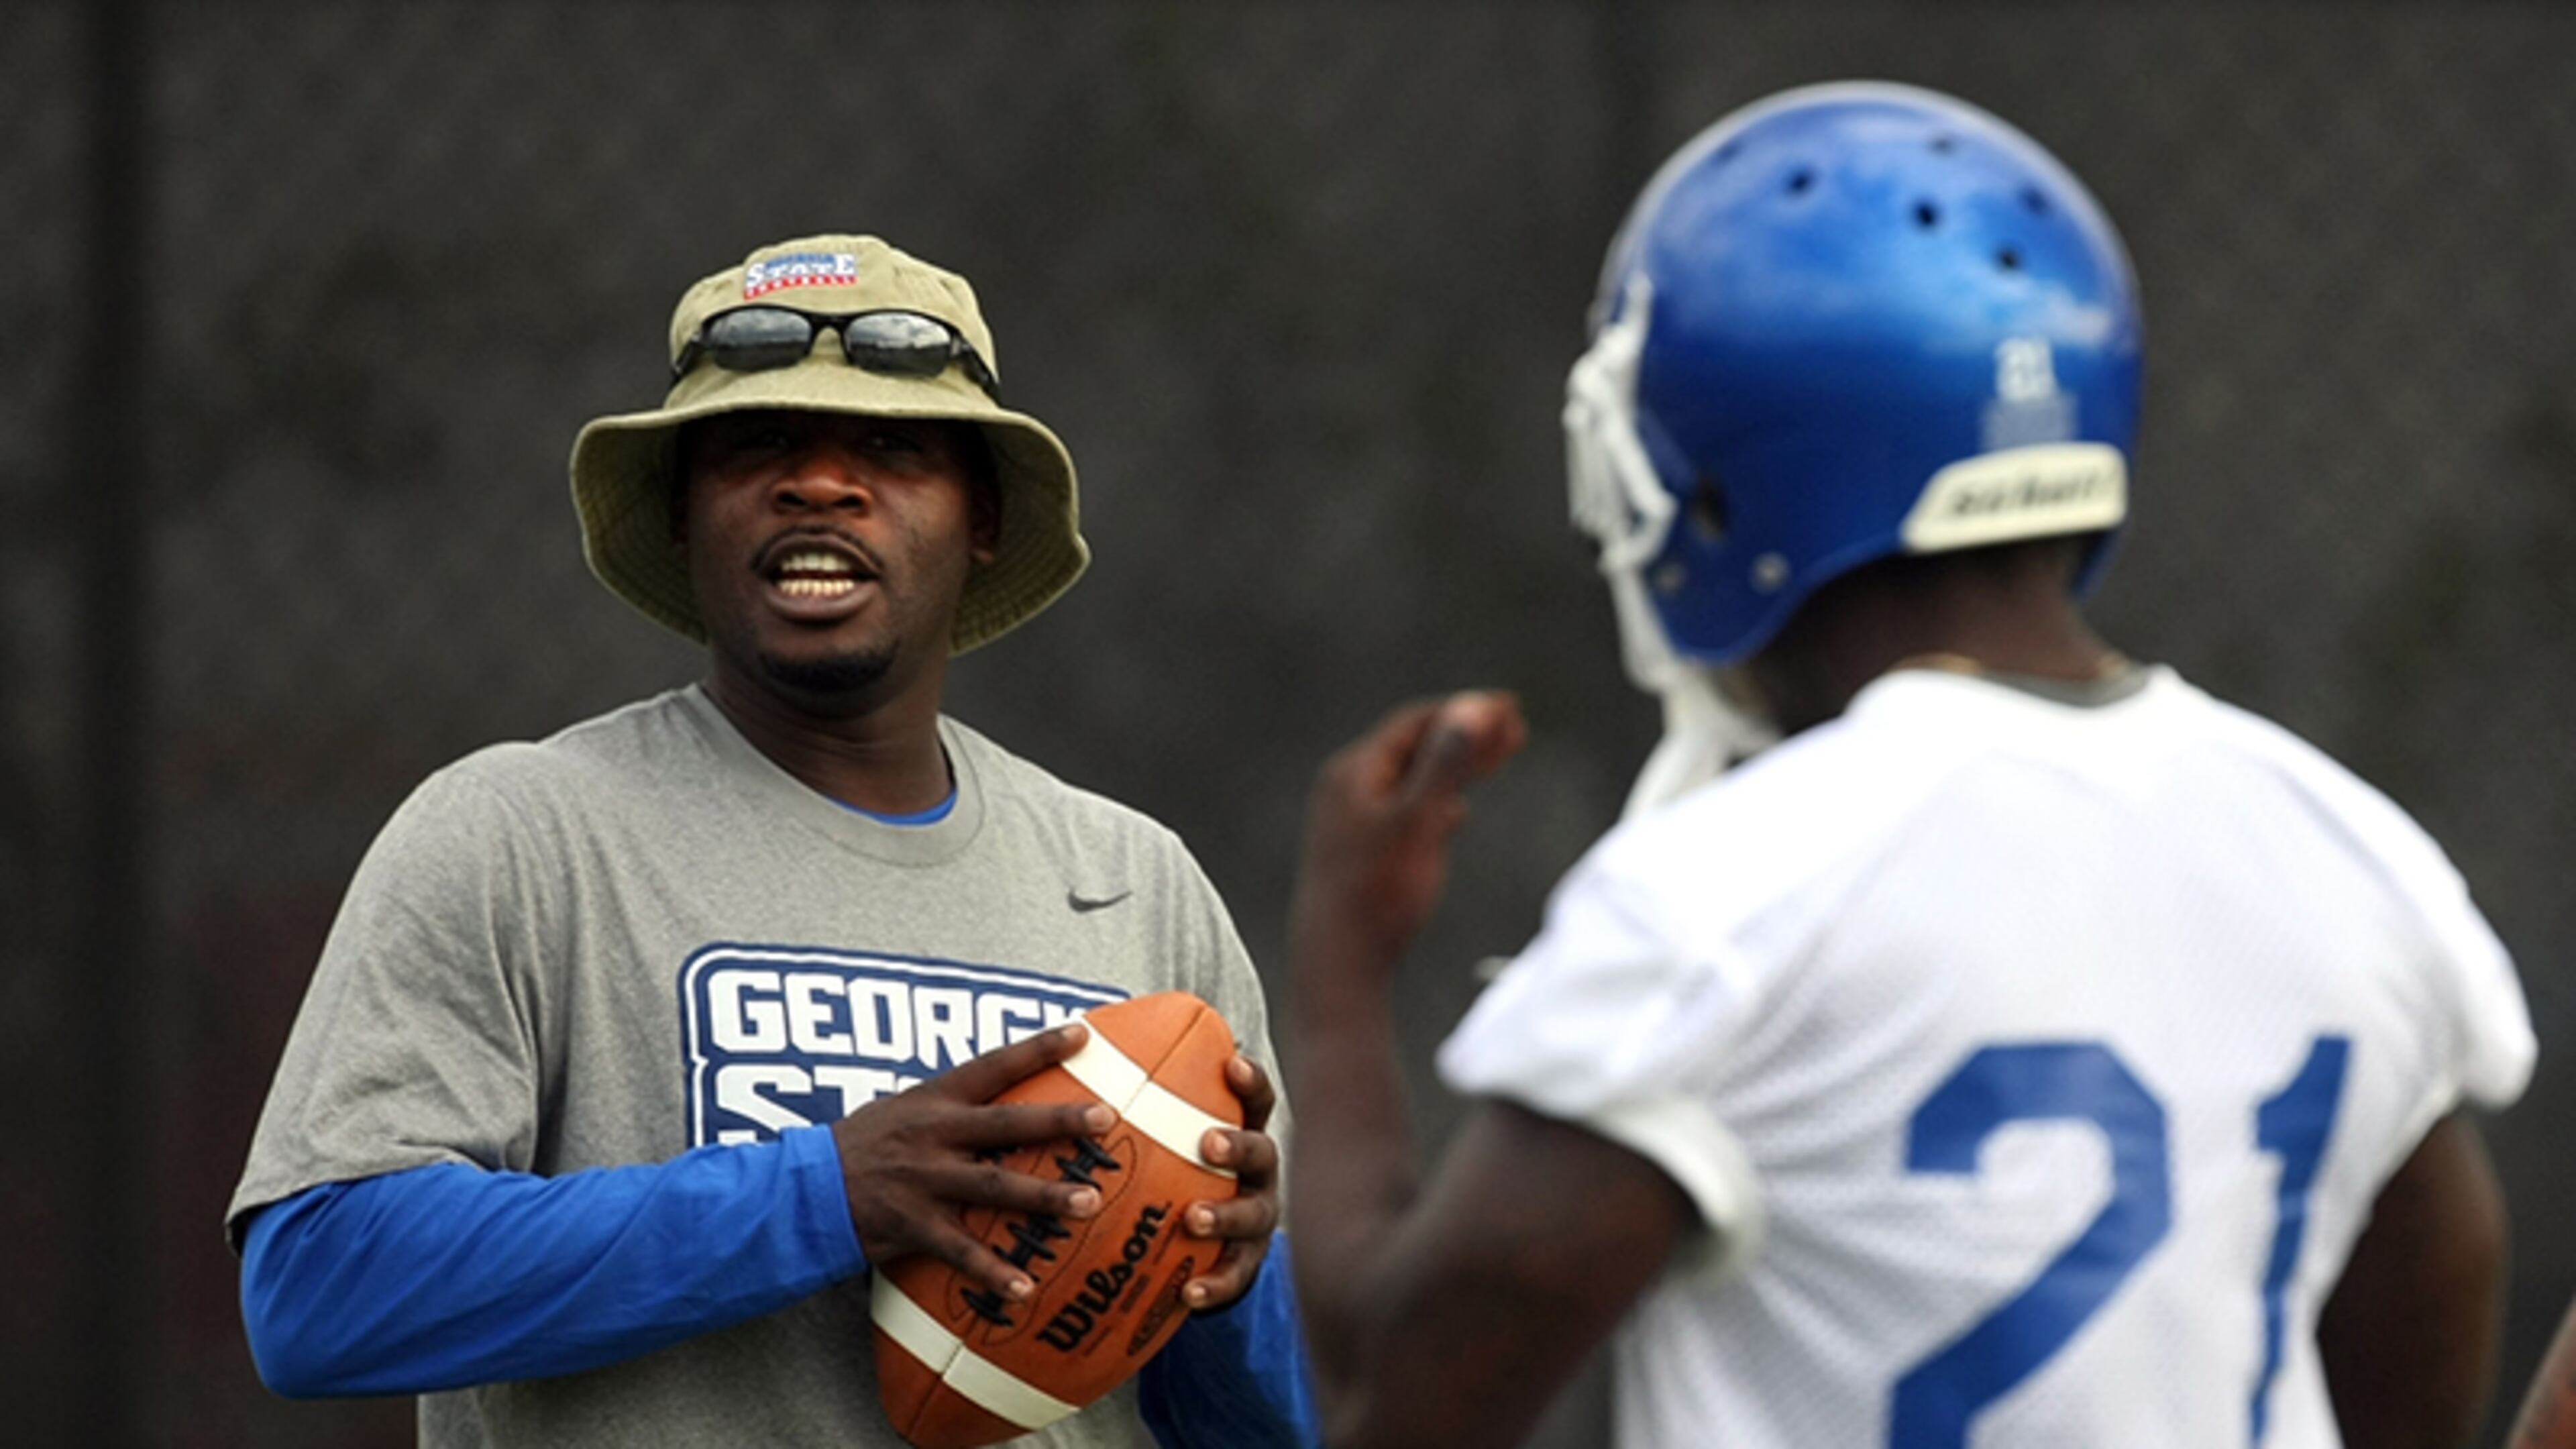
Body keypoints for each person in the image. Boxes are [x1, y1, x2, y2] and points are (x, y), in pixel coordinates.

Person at [1284, 83, 2534, 1448]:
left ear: (1712, 487)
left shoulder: (1733, 900)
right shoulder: (2353, 857)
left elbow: (1393, 1394)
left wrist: (1342, 965)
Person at [229, 233, 1312, 1448]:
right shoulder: (522, 834)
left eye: (894, 450)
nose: (822, 486)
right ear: (683, 515)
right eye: (760, 447)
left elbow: (1246, 1430)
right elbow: (317, 1293)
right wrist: (827, 1194)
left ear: (987, 518)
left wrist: (1227, 1289)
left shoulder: (1135, 886)